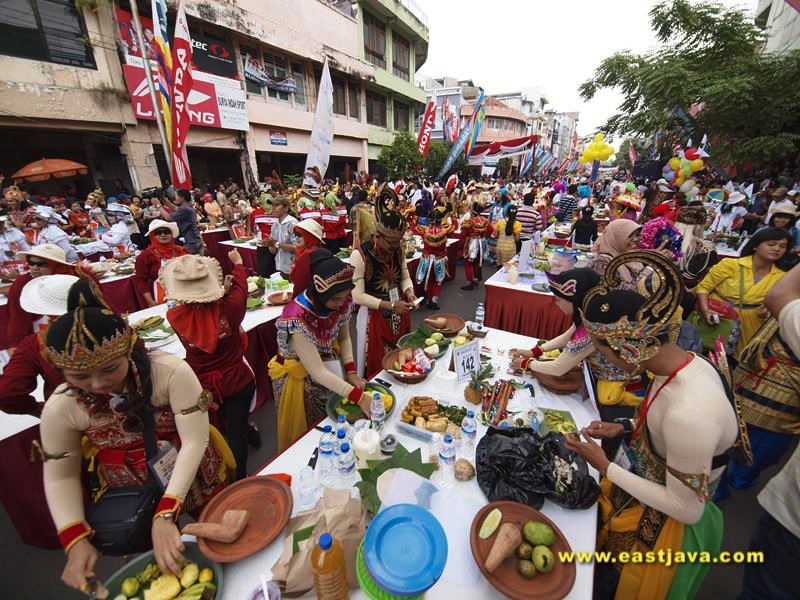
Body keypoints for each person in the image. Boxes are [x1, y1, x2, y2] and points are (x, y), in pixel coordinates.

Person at [565, 251, 738, 599]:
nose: (605, 360)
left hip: (664, 529)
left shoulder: (689, 415)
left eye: (604, 353)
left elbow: (687, 508)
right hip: (641, 496)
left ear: (629, 349)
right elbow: (664, 425)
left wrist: (605, 466)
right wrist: (625, 427)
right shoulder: (684, 362)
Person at [39, 301, 233, 593]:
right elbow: (60, 476)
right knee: (157, 561)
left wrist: (166, 511)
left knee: (222, 532)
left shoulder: (168, 371)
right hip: (131, 486)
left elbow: (194, 439)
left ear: (129, 349)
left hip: (193, 467)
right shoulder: (61, 407)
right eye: (80, 376)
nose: (97, 383)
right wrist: (74, 538)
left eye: (110, 368)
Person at [160, 251, 255, 481]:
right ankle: (240, 476)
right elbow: (241, 288)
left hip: (204, 384)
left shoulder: (174, 316)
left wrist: (221, 293)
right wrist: (238, 264)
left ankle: (239, 460)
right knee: (237, 429)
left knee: (226, 420)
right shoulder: (230, 309)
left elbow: (203, 320)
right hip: (237, 379)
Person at [269, 251, 372, 449]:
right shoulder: (298, 318)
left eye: (344, 297)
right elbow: (317, 372)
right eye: (335, 299)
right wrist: (358, 397)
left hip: (326, 366)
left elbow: (344, 337)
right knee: (310, 436)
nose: (341, 304)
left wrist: (351, 372)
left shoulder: (340, 300)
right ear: (320, 292)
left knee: (335, 422)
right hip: (299, 377)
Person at [350, 187, 416, 379]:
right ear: (377, 235)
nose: (394, 249)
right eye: (391, 244)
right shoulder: (360, 255)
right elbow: (357, 296)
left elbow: (404, 275)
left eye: (397, 243)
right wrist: (390, 305)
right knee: (375, 363)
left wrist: (409, 291)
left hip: (398, 312)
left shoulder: (398, 249)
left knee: (402, 359)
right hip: (373, 317)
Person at [696, 227, 790, 355]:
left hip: (751, 324)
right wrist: (706, 310)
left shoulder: (782, 277)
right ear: (755, 246)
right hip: (718, 318)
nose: (777, 249)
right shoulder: (731, 265)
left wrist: (769, 310)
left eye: (783, 246)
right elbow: (704, 287)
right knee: (707, 353)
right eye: (771, 244)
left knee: (736, 359)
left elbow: (779, 303)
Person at [0, 273, 78, 415]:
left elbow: (7, 394)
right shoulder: (113, 324)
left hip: (67, 413)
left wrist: (38, 409)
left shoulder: (34, 343)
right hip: (119, 406)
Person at [6, 244, 78, 353]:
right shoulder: (21, 285)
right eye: (31, 263)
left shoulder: (73, 279)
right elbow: (18, 319)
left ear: (57, 266)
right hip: (41, 338)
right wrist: (17, 344)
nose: (34, 267)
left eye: (41, 264)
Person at [134, 219, 187, 307]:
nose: (163, 235)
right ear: (152, 236)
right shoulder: (145, 256)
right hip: (162, 297)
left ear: (171, 234)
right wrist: (150, 301)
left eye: (166, 232)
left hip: (186, 292)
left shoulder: (182, 250)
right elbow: (141, 281)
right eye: (158, 233)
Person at [414, 210, 453, 309]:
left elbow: (414, 227)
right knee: (437, 280)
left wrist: (415, 217)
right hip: (439, 259)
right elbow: (454, 227)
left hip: (426, 259)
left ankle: (429, 299)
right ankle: (434, 299)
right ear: (440, 220)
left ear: (430, 219)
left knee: (430, 279)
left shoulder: (424, 230)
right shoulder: (445, 230)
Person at [590, 219, 643, 288]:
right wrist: (647, 272)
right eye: (630, 235)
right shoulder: (601, 263)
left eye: (638, 235)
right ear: (614, 237)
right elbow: (617, 291)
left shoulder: (629, 257)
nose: (635, 239)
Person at [674, 205, 717, 287]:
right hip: (689, 290)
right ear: (699, 227)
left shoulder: (665, 241)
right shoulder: (707, 248)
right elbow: (711, 273)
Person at [460, 202, 492, 291]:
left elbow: (462, 235)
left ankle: (469, 282)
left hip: (471, 243)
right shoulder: (484, 220)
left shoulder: (469, 222)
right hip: (481, 242)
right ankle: (475, 279)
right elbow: (491, 230)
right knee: (477, 261)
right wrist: (483, 237)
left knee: (468, 263)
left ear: (473, 211)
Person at [161, 189, 204, 255]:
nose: (175, 198)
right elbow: (175, 208)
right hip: (196, 240)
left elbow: (168, 217)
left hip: (191, 242)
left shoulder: (185, 209)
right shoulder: (189, 207)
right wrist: (163, 199)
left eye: (177, 196)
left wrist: (158, 205)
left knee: (188, 261)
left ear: (182, 198)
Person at [290, 219, 324, 298]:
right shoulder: (317, 250)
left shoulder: (306, 256)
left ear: (310, 236)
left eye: (300, 234)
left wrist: (292, 302)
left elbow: (300, 287)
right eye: (295, 234)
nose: (296, 238)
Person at [266, 195, 298, 279]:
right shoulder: (275, 225)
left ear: (286, 208)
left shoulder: (293, 224)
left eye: (276, 205)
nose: (273, 208)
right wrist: (270, 244)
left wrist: (276, 244)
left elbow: (298, 247)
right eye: (272, 206)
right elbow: (273, 251)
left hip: (293, 267)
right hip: (279, 267)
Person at [249, 193, 278, 277]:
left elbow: (253, 229)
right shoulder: (277, 212)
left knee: (263, 267)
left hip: (262, 242)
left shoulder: (255, 213)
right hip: (277, 242)